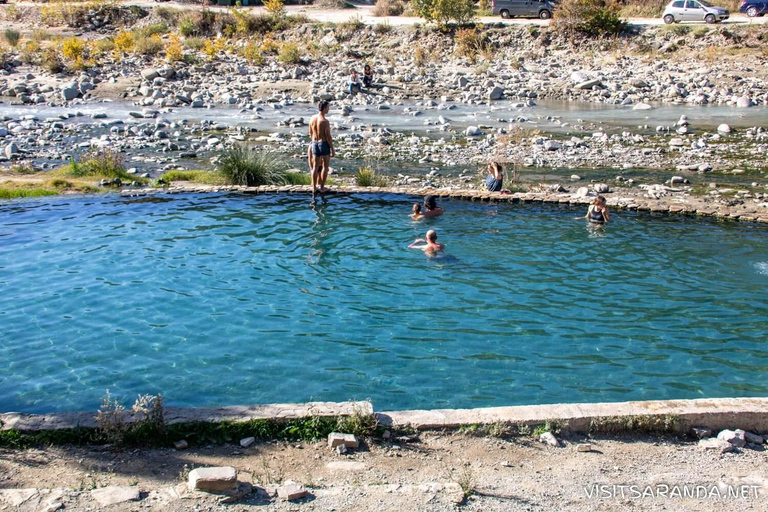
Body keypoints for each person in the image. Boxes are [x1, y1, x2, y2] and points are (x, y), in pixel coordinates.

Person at [308, 100, 335, 197]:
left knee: (315, 166)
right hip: (323, 144)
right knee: (325, 166)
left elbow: (310, 133)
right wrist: (332, 149)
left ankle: (314, 188)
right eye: (328, 107)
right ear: (324, 108)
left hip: (314, 143)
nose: (328, 109)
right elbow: (328, 137)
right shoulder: (324, 121)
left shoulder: (312, 118)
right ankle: (322, 187)